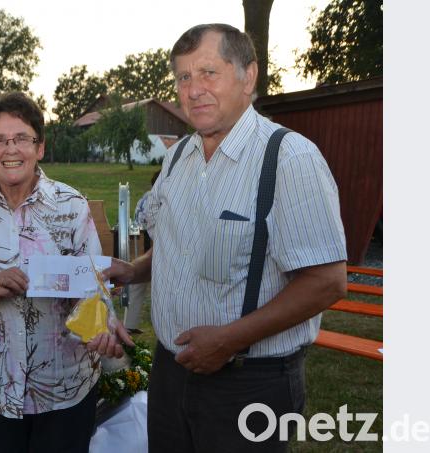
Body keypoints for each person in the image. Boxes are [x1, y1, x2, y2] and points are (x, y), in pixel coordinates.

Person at [103, 24, 347, 452]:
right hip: (170, 372)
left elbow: (327, 282)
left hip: (248, 382)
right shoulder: (179, 155)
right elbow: (180, 240)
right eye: (183, 77)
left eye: (208, 72)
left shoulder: (289, 158)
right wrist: (134, 269)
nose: (193, 89)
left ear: (248, 76)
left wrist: (229, 340)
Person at [0, 92, 133, 453]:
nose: (11, 150)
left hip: (64, 386)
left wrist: (99, 327)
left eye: (22, 139)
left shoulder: (71, 205)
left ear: (39, 147)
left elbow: (92, 286)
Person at [123, 170, 160, 334]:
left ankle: (130, 323)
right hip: (152, 246)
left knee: (137, 286)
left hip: (138, 245)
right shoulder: (158, 199)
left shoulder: (145, 197)